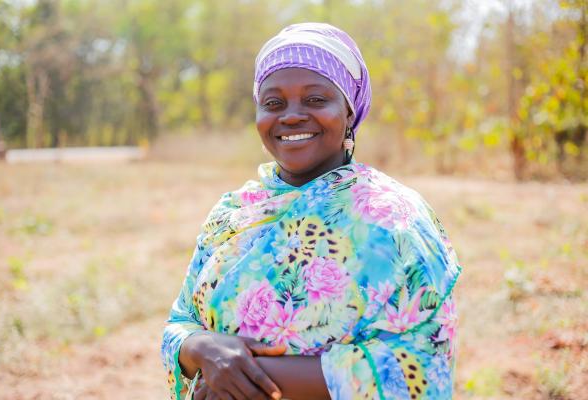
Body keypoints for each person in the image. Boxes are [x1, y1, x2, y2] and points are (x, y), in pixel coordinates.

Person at [161, 22, 461, 400]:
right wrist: (200, 349)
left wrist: (248, 377)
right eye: (273, 103)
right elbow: (180, 322)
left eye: (316, 99)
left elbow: (420, 364)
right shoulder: (232, 213)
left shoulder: (396, 220)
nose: (291, 116)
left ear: (349, 113)